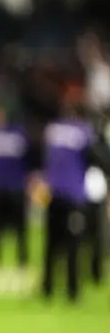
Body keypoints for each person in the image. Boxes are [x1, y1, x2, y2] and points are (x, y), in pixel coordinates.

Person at [42, 104, 110, 302]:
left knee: (52, 244)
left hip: (53, 193)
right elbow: (100, 160)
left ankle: (47, 287)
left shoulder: (54, 129)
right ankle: (73, 291)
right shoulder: (84, 133)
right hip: (74, 195)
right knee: (73, 244)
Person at [0, 114, 30, 269]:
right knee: (20, 229)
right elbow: (29, 158)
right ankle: (22, 260)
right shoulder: (22, 135)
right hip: (17, 187)